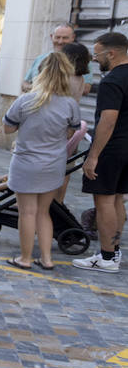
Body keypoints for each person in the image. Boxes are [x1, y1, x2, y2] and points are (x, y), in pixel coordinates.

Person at [2, 52, 82, 270]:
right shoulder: (70, 105)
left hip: (26, 162)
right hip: (53, 163)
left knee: (27, 212)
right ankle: (46, 259)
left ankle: (25, 258)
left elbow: (8, 128)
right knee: (44, 212)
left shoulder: (26, 100)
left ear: (40, 73)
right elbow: (69, 134)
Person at [73, 32, 128, 272]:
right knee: (117, 198)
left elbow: (108, 120)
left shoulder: (112, 80)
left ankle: (106, 257)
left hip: (112, 148)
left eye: (97, 54)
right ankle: (113, 253)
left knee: (104, 199)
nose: (95, 60)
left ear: (112, 53)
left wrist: (93, 155)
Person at [23, 23, 81, 92]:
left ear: (73, 38)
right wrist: (35, 90)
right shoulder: (40, 58)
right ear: (51, 37)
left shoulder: (80, 60)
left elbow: (85, 89)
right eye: (57, 37)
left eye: (65, 38)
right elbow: (25, 83)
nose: (60, 41)